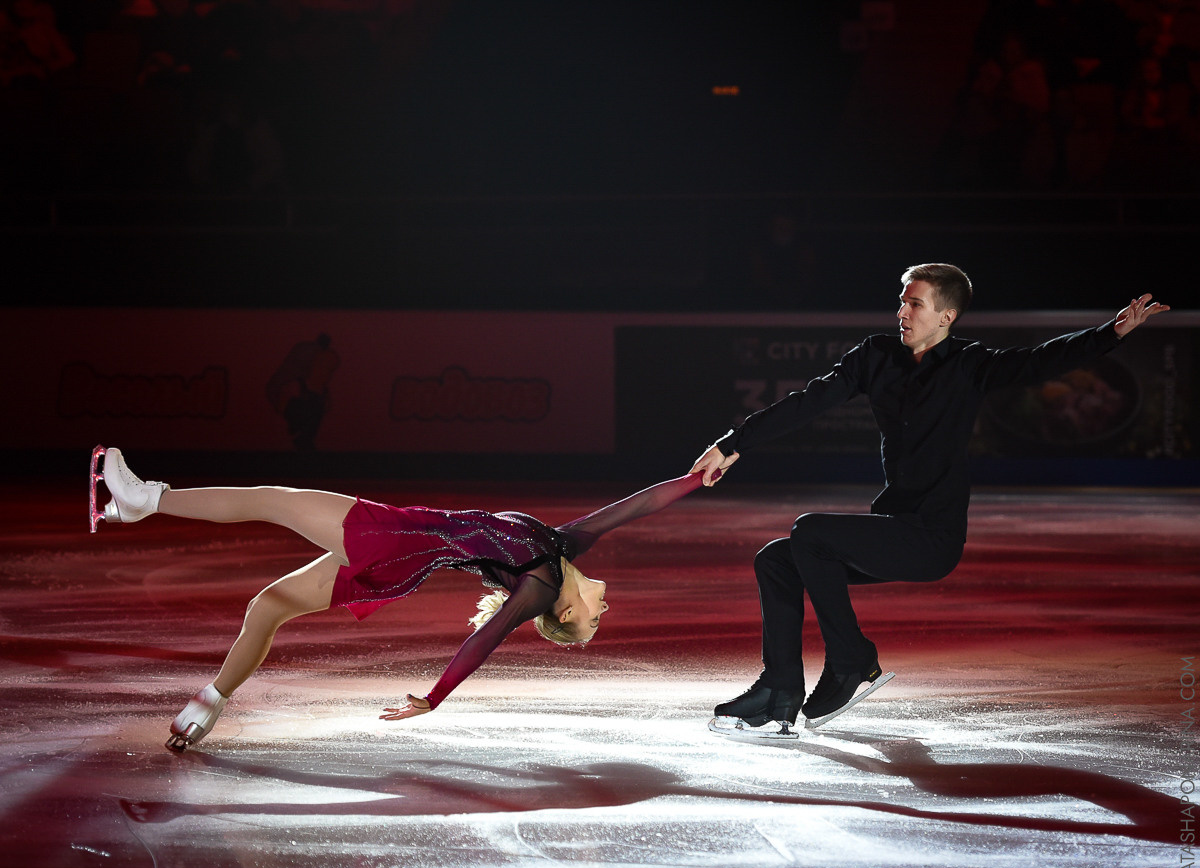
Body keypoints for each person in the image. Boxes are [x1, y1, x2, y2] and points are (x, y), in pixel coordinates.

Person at [690, 264, 1169, 730]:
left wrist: (1113, 332)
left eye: (915, 303)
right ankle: (780, 689)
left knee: (809, 532)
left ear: (946, 316)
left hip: (931, 538)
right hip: (892, 526)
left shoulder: (971, 365)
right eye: (902, 301)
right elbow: (809, 401)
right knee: (776, 559)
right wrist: (733, 444)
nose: (902, 311)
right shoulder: (874, 357)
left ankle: (852, 660)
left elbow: (1042, 359)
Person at [90, 447, 705, 751]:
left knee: (271, 498)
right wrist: (699, 476)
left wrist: (434, 698)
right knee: (270, 606)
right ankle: (211, 701)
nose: (607, 608)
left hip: (393, 536)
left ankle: (148, 498)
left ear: (565, 610)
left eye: (595, 620)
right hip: (402, 558)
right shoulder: (562, 544)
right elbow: (640, 504)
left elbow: (483, 641)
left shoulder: (539, 583)